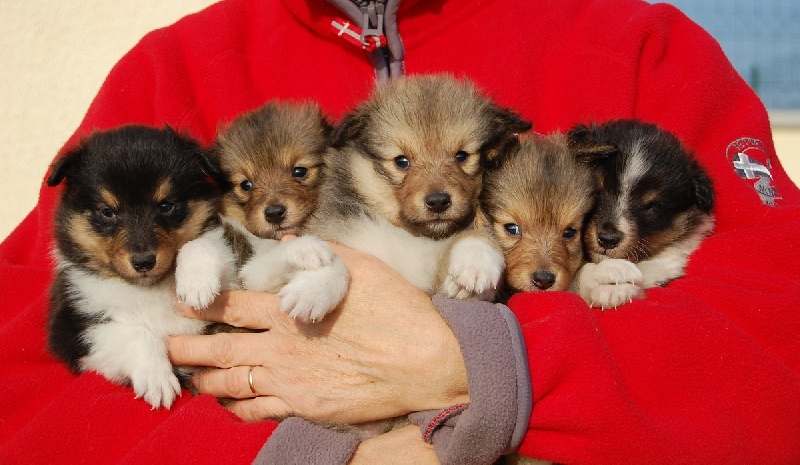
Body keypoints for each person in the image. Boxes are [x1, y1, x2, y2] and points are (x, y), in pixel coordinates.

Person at [1, 0, 799, 463]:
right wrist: (309, 449)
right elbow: (24, 387)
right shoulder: (169, 72)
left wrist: (483, 366)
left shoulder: (641, 47)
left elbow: (777, 354)